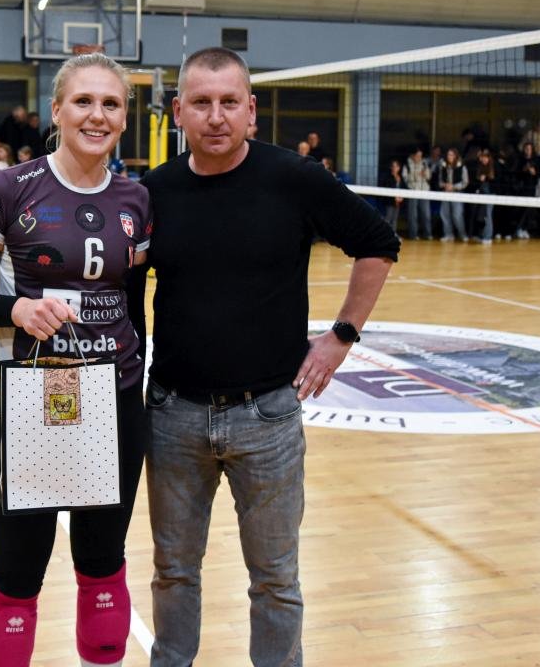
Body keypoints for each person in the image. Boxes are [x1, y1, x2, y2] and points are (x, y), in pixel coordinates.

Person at [139, 47, 398, 666]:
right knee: (173, 570)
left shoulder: (294, 178)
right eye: (202, 103)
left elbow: (378, 242)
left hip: (268, 417)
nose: (216, 116)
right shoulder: (154, 192)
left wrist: (341, 335)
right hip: (174, 415)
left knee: (276, 578)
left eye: (230, 102)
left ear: (251, 111)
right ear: (178, 112)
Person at [0, 51, 151, 667]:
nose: (97, 115)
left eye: (111, 104)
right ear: (56, 110)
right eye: (83, 101)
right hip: (36, 398)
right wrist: (15, 309)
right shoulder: (6, 190)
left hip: (114, 400)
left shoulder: (137, 198)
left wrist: (137, 388)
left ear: (124, 118)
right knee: (18, 569)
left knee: (104, 562)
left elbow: (134, 304)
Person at [437, 147, 468, 242]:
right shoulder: (443, 166)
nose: (449, 157)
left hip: (457, 193)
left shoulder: (462, 166)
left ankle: (462, 234)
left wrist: (454, 187)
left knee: (457, 215)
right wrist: (444, 185)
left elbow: (465, 182)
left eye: (451, 155)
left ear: (455, 156)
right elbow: (440, 180)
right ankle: (448, 234)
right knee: (444, 214)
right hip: (445, 192)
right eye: (448, 155)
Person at [404, 146, 432, 240]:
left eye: (421, 156)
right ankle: (413, 235)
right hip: (412, 191)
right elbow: (405, 179)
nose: (419, 158)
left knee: (426, 214)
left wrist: (425, 174)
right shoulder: (407, 164)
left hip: (424, 191)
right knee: (413, 215)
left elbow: (429, 177)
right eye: (417, 156)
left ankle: (427, 234)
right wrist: (415, 175)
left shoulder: (424, 163)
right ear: (412, 155)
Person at [379, 157, 405, 235]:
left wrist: (401, 197)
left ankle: (393, 234)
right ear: (391, 167)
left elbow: (403, 188)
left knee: (395, 219)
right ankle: (383, 234)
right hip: (390, 201)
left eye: (396, 166)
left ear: (399, 168)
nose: (394, 168)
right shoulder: (388, 177)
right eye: (393, 166)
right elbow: (388, 188)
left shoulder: (401, 178)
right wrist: (394, 198)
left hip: (398, 201)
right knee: (388, 218)